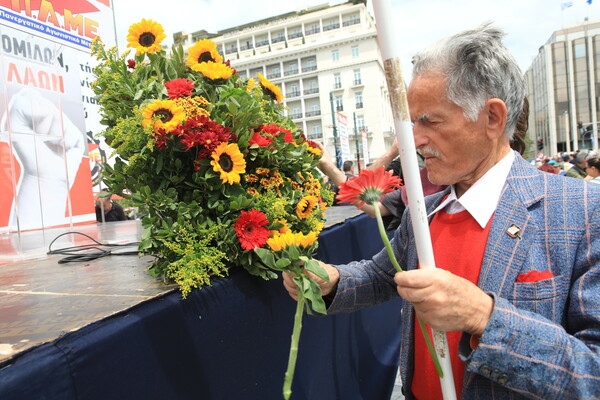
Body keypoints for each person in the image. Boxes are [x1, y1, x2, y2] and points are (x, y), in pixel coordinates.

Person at [283, 23, 600, 399]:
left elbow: (591, 374)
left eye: (428, 121)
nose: (413, 141)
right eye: (411, 122)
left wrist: (483, 316)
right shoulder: (426, 211)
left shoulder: (583, 211)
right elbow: (383, 275)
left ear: (492, 119)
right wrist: (333, 280)